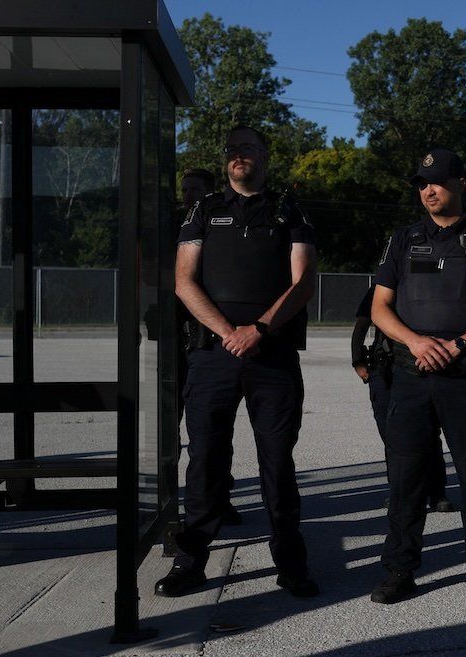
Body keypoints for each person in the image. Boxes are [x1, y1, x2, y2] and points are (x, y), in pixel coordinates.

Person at [156, 125, 318, 598]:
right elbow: (184, 281)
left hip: (273, 356)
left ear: (266, 155)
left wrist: (259, 330)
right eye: (231, 150)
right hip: (213, 356)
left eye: (247, 148)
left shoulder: (289, 211)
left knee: (277, 462)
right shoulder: (203, 211)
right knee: (205, 459)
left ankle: (290, 564)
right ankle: (190, 562)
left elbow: (304, 281)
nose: (238, 156)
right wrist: (228, 333)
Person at [369, 148, 466, 609]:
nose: (428, 190)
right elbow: (379, 307)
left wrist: (455, 345)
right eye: (422, 183)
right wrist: (415, 342)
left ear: (460, 183)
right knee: (406, 481)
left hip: (462, 378)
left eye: (437, 181)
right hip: (410, 377)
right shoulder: (403, 239)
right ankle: (399, 570)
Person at [350, 285, 456, 513]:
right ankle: (399, 490)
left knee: (428, 432)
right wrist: (358, 361)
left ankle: (437, 492)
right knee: (391, 434)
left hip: (419, 367)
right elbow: (361, 325)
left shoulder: (422, 285)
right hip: (383, 368)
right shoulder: (381, 287)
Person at [177, 167, 241, 527]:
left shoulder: (219, 224)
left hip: (211, 339)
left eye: (196, 190)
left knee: (217, 429)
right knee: (190, 431)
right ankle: (182, 502)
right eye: (186, 189)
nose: (189, 196)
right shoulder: (182, 226)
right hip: (178, 338)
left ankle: (220, 498)